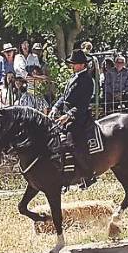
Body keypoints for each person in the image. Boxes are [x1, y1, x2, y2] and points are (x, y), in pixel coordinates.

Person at [49, 48, 97, 189]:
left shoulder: (88, 80)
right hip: (65, 115)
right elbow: (64, 97)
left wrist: (69, 115)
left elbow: (83, 104)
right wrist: (55, 108)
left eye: (75, 64)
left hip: (79, 118)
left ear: (82, 65)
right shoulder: (73, 78)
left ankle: (88, 175)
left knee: (71, 144)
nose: (72, 66)